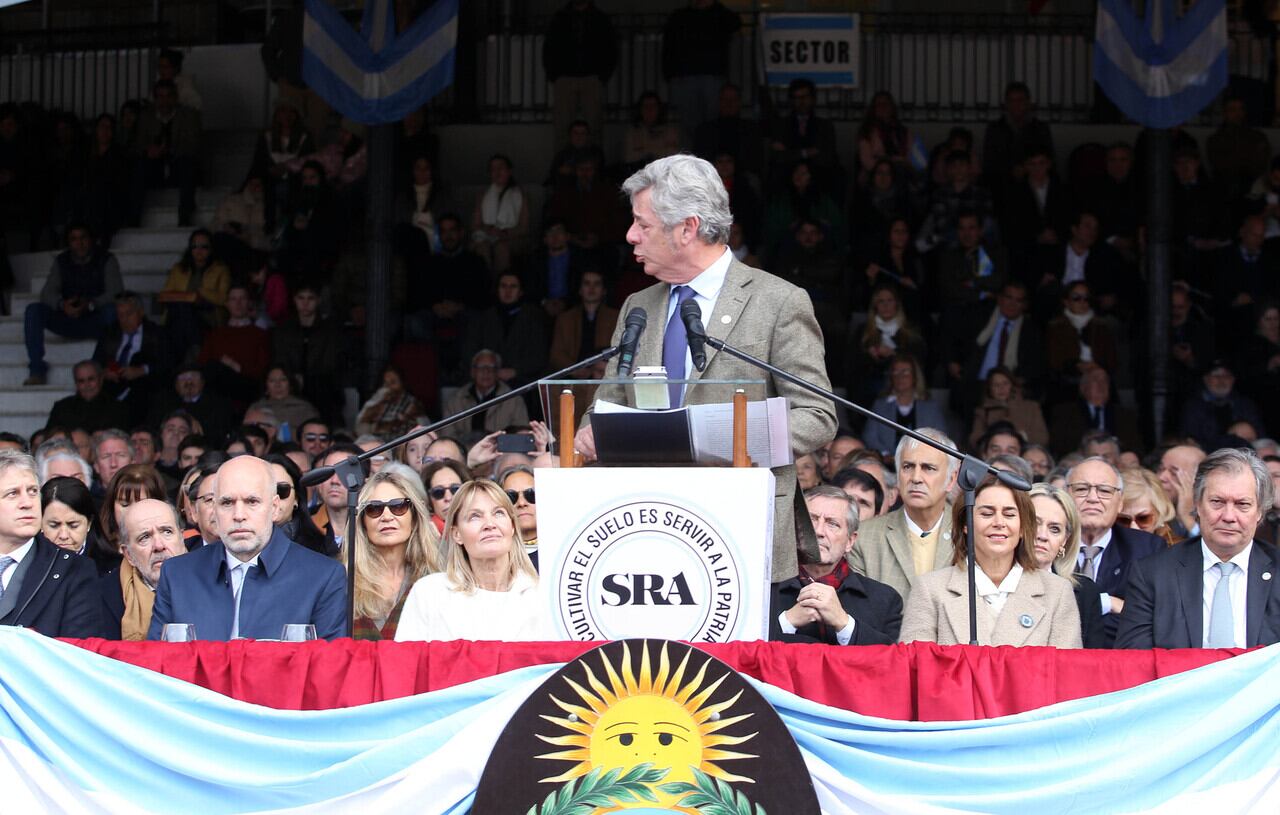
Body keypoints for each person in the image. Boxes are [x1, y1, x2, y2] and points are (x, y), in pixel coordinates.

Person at [574, 154, 838, 581]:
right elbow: (605, 404)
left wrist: (716, 440)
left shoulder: (778, 302)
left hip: (742, 530)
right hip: (647, 532)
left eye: (643, 224)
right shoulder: (637, 307)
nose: (630, 236)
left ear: (687, 227)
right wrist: (591, 429)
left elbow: (817, 417)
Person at [148, 456, 348, 641]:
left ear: (275, 507)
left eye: (252, 501)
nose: (239, 514)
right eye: (227, 502)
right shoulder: (177, 574)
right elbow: (156, 667)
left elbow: (329, 670)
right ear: (214, 510)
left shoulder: (323, 576)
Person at [1116, 448, 1280, 649]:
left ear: (1260, 512)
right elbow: (1134, 661)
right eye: (1217, 502)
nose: (1229, 516)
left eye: (1242, 504)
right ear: (1198, 505)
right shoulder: (1152, 575)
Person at [899, 474, 1081, 647]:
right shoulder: (930, 588)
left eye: (1009, 515)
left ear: (1024, 527)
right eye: (987, 514)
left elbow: (1068, 673)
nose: (999, 523)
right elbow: (915, 668)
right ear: (965, 525)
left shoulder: (1057, 592)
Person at [395, 479, 542, 641]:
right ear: (456, 534)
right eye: (474, 517)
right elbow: (406, 662)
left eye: (498, 513)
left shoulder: (542, 594)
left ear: (512, 527)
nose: (489, 524)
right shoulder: (428, 593)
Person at [769, 486, 903, 645]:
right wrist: (787, 621)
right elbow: (739, 649)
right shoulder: (765, 591)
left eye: (832, 524)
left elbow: (891, 662)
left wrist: (843, 623)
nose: (819, 531)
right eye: (811, 519)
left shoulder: (884, 600)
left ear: (850, 541)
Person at [849, 429, 958, 607]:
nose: (916, 478)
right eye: (907, 467)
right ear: (898, 476)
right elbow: (861, 612)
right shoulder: (864, 537)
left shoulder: (972, 533)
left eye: (928, 468)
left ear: (951, 479)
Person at [0, 450, 102, 638]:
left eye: (32, 491)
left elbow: (79, 653)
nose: (27, 503)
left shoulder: (75, 570)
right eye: (13, 493)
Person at [1067, 456, 1164, 644]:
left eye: (1104, 491)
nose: (1093, 498)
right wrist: (1108, 603)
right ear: (1065, 496)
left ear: (1120, 503)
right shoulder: (1047, 543)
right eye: (1081, 489)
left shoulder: (1146, 548)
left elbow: (1148, 622)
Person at [350, 464, 441, 640]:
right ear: (362, 522)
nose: (386, 516)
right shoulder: (343, 581)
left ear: (414, 516)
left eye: (398, 506)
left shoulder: (437, 577)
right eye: (374, 508)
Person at [24, 223, 122, 386]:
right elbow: (47, 293)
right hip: (68, 317)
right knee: (34, 310)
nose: (79, 243)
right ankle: (37, 370)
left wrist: (90, 304)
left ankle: (99, 368)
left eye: (83, 237)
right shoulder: (62, 261)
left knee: (112, 311)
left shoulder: (106, 259)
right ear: (69, 242)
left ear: (91, 239)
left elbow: (116, 292)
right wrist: (63, 305)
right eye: (74, 239)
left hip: (95, 319)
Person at [1030, 483, 1107, 649]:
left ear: (1065, 541)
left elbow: (1093, 663)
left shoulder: (1085, 592)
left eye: (1055, 529)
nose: (1042, 535)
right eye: (1034, 523)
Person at [99, 498, 185, 640]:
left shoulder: (210, 579)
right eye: (145, 537)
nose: (159, 545)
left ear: (182, 538)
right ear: (128, 554)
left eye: (167, 532)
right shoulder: (105, 596)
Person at [92, 291, 172, 426]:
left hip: (143, 386)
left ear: (140, 312)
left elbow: (167, 362)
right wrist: (105, 372)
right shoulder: (110, 333)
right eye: (120, 315)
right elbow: (96, 362)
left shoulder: (156, 333)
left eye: (129, 314)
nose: (124, 319)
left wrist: (142, 370)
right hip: (113, 384)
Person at [156, 229, 231, 356]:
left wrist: (201, 293)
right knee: (182, 309)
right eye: (194, 246)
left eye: (204, 247)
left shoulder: (221, 270)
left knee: (181, 314)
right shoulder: (179, 269)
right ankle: (193, 348)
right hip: (180, 313)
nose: (199, 250)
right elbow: (165, 294)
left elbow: (224, 298)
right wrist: (186, 298)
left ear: (211, 249)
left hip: (208, 314)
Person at [861, 355, 949, 457]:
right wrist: (885, 455)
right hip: (887, 463)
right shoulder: (880, 405)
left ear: (915, 377)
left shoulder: (930, 407)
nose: (900, 377)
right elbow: (869, 437)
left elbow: (941, 437)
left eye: (905, 372)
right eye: (896, 372)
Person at [441, 349, 530, 446]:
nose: (486, 372)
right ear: (472, 372)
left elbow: (522, 437)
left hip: (501, 455)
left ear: (497, 372)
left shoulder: (513, 399)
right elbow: (447, 436)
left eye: (491, 368)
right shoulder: (456, 399)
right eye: (481, 367)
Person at [1049, 367, 1142, 458]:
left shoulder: (1124, 415)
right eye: (1095, 380)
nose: (1101, 385)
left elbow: (1136, 447)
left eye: (1104, 381)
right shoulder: (1066, 413)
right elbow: (1058, 446)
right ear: (1083, 387)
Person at [470, 154, 529, 273]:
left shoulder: (520, 195)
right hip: (487, 234)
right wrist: (488, 230)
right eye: (493, 169)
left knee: (501, 248)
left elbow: (524, 227)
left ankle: (501, 284)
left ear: (509, 171)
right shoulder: (482, 195)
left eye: (500, 168)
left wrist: (504, 233)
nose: (497, 172)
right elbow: (475, 224)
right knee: (482, 247)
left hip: (511, 237)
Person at [969, 366, 1049, 450]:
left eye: (1005, 383)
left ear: (1012, 385)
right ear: (989, 388)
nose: (1001, 388)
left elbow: (1043, 438)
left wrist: (1022, 436)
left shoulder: (1031, 407)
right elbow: (974, 440)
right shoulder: (982, 411)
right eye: (996, 385)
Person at [46, 360, 129, 433]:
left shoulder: (117, 409)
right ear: (76, 384)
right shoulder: (62, 408)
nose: (87, 385)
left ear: (101, 380)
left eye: (91, 379)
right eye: (81, 381)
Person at [247, 367, 319, 442]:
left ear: (290, 384)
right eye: (272, 381)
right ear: (266, 385)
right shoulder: (256, 407)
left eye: (283, 380)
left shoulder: (305, 409)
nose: (278, 385)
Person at [356, 364, 426, 439]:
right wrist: (379, 402)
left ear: (402, 382)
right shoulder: (379, 400)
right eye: (386, 383)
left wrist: (381, 427)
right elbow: (361, 425)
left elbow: (417, 425)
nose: (389, 387)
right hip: (375, 442)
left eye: (393, 382)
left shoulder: (411, 403)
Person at [40, 476, 97, 556]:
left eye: (73, 526)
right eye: (54, 525)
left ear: (89, 523)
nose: (63, 536)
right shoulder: (26, 561)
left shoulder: (107, 564)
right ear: (40, 523)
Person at [497, 464, 539, 562]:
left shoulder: (563, 545)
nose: (521, 503)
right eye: (511, 496)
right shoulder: (495, 554)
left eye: (531, 494)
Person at [421, 458, 471, 535]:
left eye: (455, 489)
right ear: (428, 499)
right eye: (438, 492)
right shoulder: (424, 535)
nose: (448, 498)